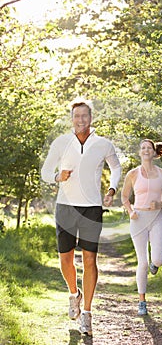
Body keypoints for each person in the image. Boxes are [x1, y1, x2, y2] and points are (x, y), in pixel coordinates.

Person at [41, 100, 121, 335]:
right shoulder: (61, 143)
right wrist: (58, 176)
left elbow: (115, 167)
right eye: (77, 116)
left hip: (91, 209)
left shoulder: (103, 143)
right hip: (65, 207)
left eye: (85, 116)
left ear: (91, 118)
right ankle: (74, 294)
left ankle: (87, 313)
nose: (81, 120)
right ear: (72, 118)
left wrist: (112, 189)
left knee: (89, 261)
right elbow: (46, 171)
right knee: (65, 260)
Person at [121, 139, 162, 316]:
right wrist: (130, 212)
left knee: (158, 260)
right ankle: (142, 302)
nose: (145, 150)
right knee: (142, 262)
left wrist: (159, 203)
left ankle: (154, 264)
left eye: (148, 148)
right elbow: (125, 197)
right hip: (138, 219)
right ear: (140, 152)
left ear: (154, 152)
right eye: (142, 148)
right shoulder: (133, 174)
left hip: (157, 217)